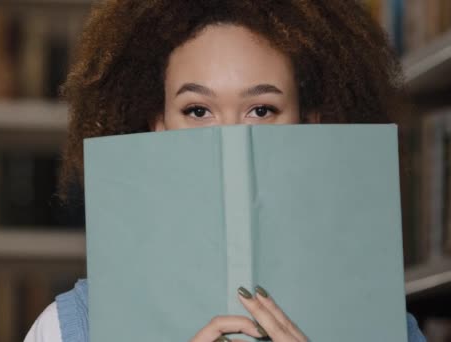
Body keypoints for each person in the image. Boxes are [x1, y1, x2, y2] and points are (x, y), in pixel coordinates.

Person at [25, 0, 425, 341]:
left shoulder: (386, 328)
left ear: (312, 123)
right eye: (197, 111)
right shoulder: (68, 329)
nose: (230, 138)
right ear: (158, 127)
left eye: (262, 110)